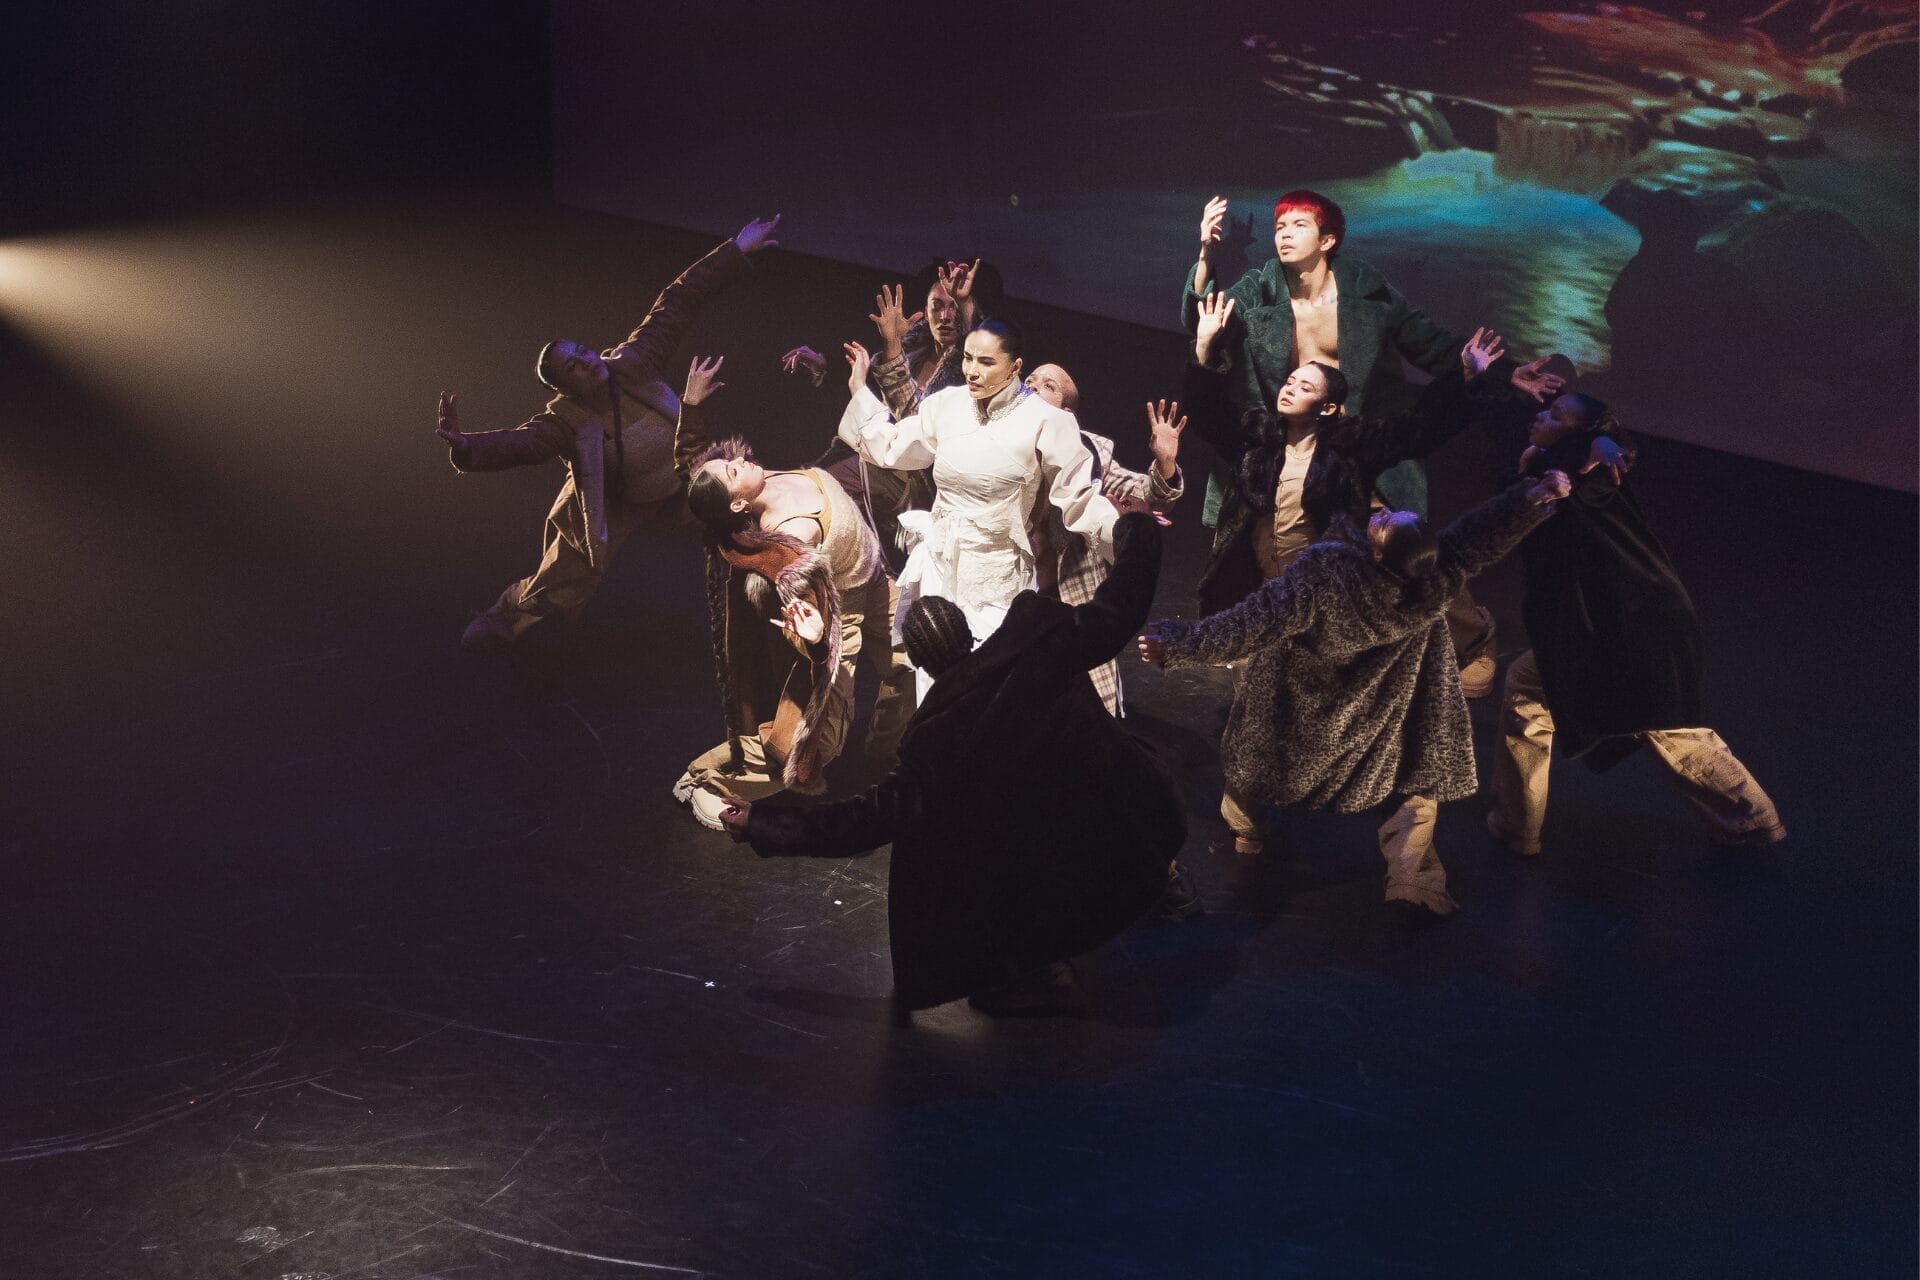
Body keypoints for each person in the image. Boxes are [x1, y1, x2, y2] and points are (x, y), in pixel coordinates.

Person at [718, 513, 1184, 1016]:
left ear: (921, 664)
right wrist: (1135, 526)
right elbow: (1121, 604)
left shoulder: (934, 739)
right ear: (967, 632)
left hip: (1034, 865)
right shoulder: (1038, 646)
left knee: (950, 847)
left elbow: (863, 820)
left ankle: (1010, 971)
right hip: (1095, 828)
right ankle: (1159, 886)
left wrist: (761, 823)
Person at [1140, 470, 1574, 916]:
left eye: (1388, 521)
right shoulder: (1434, 577)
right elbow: (1479, 535)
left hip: (1303, 709)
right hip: (1385, 711)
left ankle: (1246, 831)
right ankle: (1412, 880)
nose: (1384, 512)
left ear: (1376, 552)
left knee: (1254, 755)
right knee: (1415, 777)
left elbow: (1252, 623)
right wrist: (1531, 499)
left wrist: (1177, 643)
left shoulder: (1324, 575)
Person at [1178, 189, 1504, 693]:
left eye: (1298, 226)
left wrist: (1502, 377)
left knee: (1409, 551)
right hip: (1284, 445)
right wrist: (1206, 254)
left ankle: (1474, 637)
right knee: (1264, 547)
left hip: (1358, 447)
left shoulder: (1366, 293)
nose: (1284, 234)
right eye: (1279, 225)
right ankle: (1257, 646)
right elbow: (1203, 321)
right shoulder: (1258, 290)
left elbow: (1436, 347)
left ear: (1327, 239)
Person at [437, 215, 782, 650]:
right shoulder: (565, 419)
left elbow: (676, 302)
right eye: (573, 367)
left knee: (748, 516)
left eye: (582, 351)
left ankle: (780, 605)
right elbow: (519, 443)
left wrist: (736, 250)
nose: (586, 362)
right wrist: (466, 445)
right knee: (566, 575)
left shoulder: (633, 362)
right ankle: (506, 612)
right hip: (619, 501)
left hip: (683, 484)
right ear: (564, 387)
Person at [1487, 393, 1786, 854]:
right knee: (1654, 719)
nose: (1540, 416)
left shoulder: (1581, 470)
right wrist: (1548, 457)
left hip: (1626, 626)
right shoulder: (1554, 470)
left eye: (1555, 415)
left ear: (1578, 435)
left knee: (1655, 722)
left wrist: (1600, 443)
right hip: (1628, 622)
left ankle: (1518, 826)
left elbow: (1587, 456)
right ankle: (1751, 819)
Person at [1185, 294, 1563, 616]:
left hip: (1321, 592)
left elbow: (1421, 430)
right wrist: (1205, 347)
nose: (1289, 389)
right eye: (1289, 382)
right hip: (1257, 588)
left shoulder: (1353, 445)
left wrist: (1465, 378)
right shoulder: (1258, 436)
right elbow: (1207, 414)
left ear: (1329, 407)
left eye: (1304, 387)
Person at [666, 357, 917, 830]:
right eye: (734, 471)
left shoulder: (762, 480)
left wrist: (692, 405)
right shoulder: (790, 544)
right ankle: (710, 779)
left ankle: (885, 751)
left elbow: (695, 470)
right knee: (816, 741)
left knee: (906, 667)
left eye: (734, 459)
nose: (740, 460)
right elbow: (798, 629)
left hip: (877, 583)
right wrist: (818, 637)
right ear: (740, 503)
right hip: (841, 619)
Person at [835, 318, 1120, 695]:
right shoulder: (948, 405)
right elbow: (891, 446)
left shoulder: (1046, 422)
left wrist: (1127, 542)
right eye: (968, 358)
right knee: (934, 689)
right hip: (940, 568)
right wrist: (859, 390)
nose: (971, 370)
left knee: (986, 691)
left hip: (996, 579)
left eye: (986, 362)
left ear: (1015, 367)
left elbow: (1080, 500)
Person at [785, 259, 1004, 571]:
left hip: (920, 479)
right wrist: (824, 364)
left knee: (829, 485)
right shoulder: (915, 350)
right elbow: (872, 381)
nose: (944, 316)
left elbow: (915, 421)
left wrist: (894, 348)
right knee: (817, 482)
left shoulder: (968, 372)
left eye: (954, 307)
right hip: (882, 461)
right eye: (936, 305)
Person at [1023, 361, 1188, 716]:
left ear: (1066, 411)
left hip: (1070, 598)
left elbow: (1146, 497)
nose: (1034, 387)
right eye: (1029, 381)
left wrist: (1165, 465)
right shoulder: (997, 443)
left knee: (1084, 718)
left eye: (1048, 385)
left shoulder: (1090, 453)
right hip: (1010, 595)